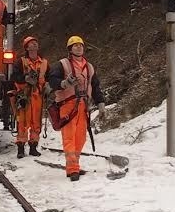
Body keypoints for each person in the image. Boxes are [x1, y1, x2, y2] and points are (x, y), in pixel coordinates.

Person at [47, 35, 105, 181]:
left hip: (83, 106)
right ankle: (72, 169)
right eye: (75, 45)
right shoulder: (62, 64)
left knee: (81, 137)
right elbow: (52, 80)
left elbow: (95, 86)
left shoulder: (89, 67)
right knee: (69, 137)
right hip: (68, 105)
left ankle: (75, 165)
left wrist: (101, 103)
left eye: (81, 45)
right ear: (70, 49)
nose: (79, 47)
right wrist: (64, 83)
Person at [11, 35, 48, 159]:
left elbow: (50, 76)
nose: (34, 45)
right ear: (26, 47)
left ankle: (33, 147)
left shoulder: (44, 63)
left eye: (35, 43)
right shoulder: (20, 62)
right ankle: (20, 148)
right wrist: (25, 79)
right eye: (31, 44)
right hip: (24, 97)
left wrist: (49, 86)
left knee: (36, 123)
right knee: (22, 123)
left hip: (38, 97)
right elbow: (14, 76)